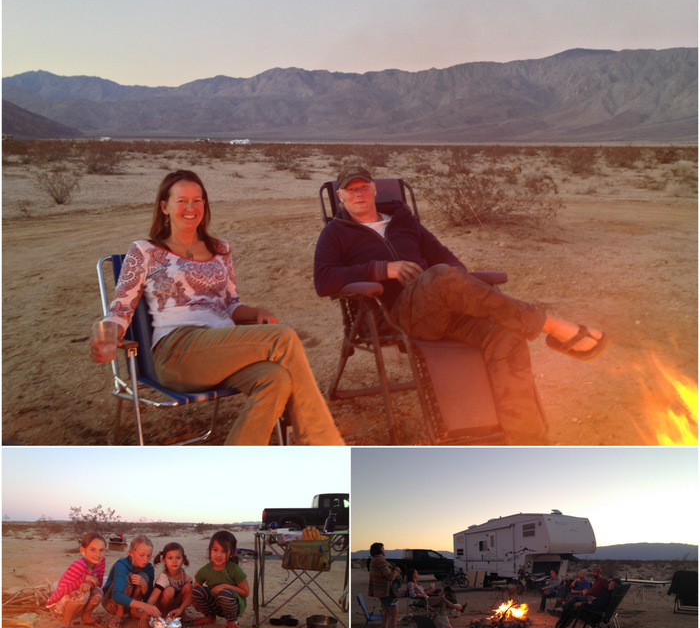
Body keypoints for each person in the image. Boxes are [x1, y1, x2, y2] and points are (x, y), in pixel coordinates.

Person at [313, 165, 610, 445]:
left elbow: (449, 259)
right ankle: (552, 326)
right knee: (442, 276)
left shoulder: (404, 222)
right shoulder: (336, 233)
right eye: (350, 191)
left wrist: (457, 285)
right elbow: (323, 280)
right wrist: (382, 269)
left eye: (363, 187)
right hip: (397, 315)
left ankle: (528, 443)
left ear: (375, 190)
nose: (358, 194)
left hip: (445, 310)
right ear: (340, 197)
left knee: (506, 335)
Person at [90, 169, 343, 446]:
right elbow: (120, 310)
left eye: (198, 200)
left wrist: (255, 313)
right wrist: (107, 333)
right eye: (182, 201)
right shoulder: (145, 251)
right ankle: (324, 444)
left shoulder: (220, 249)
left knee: (277, 378)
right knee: (283, 338)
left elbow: (232, 304)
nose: (191, 208)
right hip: (178, 352)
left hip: (221, 350)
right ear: (164, 207)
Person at [46, 532, 107, 628]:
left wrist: (88, 583)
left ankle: (86, 617)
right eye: (93, 550)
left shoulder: (101, 562)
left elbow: (98, 583)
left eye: (101, 550)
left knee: (98, 593)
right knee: (82, 592)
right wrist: (83, 580)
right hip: (59, 609)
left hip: (77, 605)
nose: (97, 554)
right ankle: (65, 623)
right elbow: (62, 590)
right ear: (83, 550)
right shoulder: (78, 566)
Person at [192, 530, 248, 628]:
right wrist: (195, 603)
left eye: (224, 551)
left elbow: (245, 592)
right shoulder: (205, 570)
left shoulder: (234, 569)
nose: (219, 555)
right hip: (215, 605)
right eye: (215, 550)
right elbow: (195, 587)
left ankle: (232, 621)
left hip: (233, 605)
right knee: (197, 590)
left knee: (225, 593)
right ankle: (209, 617)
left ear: (231, 552)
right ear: (210, 550)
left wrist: (225, 586)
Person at [102, 535, 160, 628]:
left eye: (148, 556)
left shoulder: (149, 568)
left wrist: (144, 585)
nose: (145, 559)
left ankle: (134, 611)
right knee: (129, 577)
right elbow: (117, 596)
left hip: (130, 604)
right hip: (111, 603)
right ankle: (119, 614)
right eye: (141, 555)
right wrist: (145, 606)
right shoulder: (122, 564)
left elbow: (147, 597)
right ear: (131, 553)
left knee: (143, 577)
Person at [137, 542, 194, 628]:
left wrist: (181, 609)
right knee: (169, 590)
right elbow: (152, 599)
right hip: (163, 605)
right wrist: (143, 619)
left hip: (176, 605)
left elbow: (191, 594)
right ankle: (165, 616)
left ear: (183, 560)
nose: (174, 561)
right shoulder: (164, 577)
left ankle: (181, 613)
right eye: (170, 558)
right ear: (164, 560)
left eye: (178, 558)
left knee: (189, 587)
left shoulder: (186, 575)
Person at [546, 578, 622, 628]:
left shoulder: (608, 595)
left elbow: (598, 607)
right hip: (597, 613)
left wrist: (583, 605)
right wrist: (593, 599)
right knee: (577, 599)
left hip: (593, 615)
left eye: (610, 582)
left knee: (569, 610)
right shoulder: (610, 593)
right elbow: (599, 603)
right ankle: (562, 608)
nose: (609, 583)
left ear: (613, 583)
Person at [368, 542, 403, 628]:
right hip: (387, 592)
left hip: (380, 593)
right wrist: (397, 571)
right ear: (380, 550)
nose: (385, 550)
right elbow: (390, 576)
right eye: (383, 548)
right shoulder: (380, 561)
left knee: (386, 615)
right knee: (394, 616)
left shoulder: (373, 561)